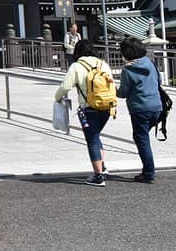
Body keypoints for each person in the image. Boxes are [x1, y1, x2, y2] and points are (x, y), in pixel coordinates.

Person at [54, 39, 115, 187]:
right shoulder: (103, 64)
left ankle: (98, 176)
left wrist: (57, 98)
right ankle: (102, 167)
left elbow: (65, 87)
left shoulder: (76, 66)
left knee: (92, 139)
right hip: (106, 106)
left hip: (89, 108)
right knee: (96, 136)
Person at [116, 36, 162, 184]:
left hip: (140, 108)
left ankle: (148, 173)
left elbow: (123, 93)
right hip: (157, 106)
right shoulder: (150, 63)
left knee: (141, 139)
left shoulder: (127, 70)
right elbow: (159, 81)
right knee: (143, 136)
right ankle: (148, 170)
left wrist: (112, 89)